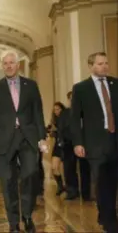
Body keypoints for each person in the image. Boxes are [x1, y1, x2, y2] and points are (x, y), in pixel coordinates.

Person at [0, 49, 48, 233]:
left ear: (18, 65)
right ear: (2, 66)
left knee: (30, 175)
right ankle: (13, 222)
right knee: (8, 181)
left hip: (28, 137)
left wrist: (42, 137)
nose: (8, 66)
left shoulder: (31, 85)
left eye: (11, 63)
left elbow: (38, 113)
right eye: (5, 63)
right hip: (4, 140)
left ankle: (27, 216)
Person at [71, 52, 117, 233]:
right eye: (100, 64)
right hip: (95, 142)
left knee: (113, 181)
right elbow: (75, 119)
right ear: (91, 66)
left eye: (106, 63)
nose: (104, 66)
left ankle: (107, 214)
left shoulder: (116, 84)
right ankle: (109, 220)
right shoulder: (81, 88)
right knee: (101, 182)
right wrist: (78, 143)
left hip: (116, 140)